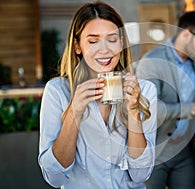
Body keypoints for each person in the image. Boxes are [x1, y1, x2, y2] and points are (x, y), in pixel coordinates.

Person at [38, 1, 157, 189]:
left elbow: (140, 174)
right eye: (93, 41)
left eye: (112, 40)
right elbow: (55, 178)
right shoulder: (57, 91)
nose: (105, 50)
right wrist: (74, 112)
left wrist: (133, 112)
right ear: (77, 46)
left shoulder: (145, 91)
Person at [136, 11, 195, 189]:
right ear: (186, 34)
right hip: (154, 152)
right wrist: (190, 109)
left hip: (185, 151)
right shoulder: (152, 61)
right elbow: (149, 109)